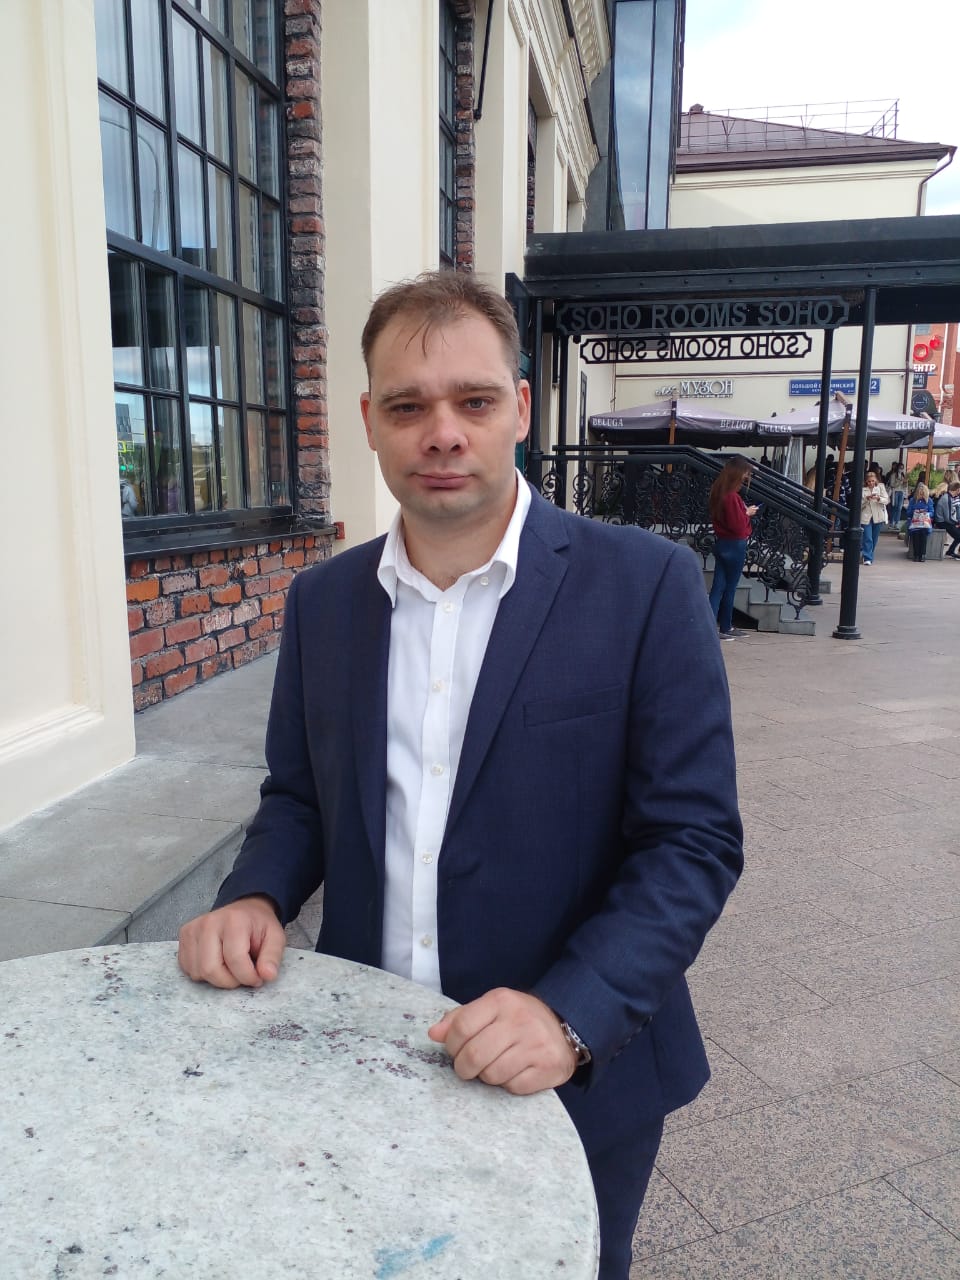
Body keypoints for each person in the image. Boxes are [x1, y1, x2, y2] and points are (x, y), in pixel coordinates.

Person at [176, 271, 743, 1280]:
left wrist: (570, 1013)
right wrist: (254, 894)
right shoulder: (321, 602)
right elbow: (298, 796)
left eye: (473, 401)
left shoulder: (645, 584)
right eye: (408, 406)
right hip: (370, 1052)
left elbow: (691, 841)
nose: (442, 433)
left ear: (519, 408)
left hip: (572, 1073)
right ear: (369, 421)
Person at [708, 457, 758, 640]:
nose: (746, 477)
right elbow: (737, 526)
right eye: (745, 473)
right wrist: (747, 513)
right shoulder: (732, 497)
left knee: (718, 587)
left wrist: (743, 512)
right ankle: (726, 626)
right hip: (735, 544)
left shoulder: (718, 492)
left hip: (722, 542)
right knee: (730, 587)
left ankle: (710, 627)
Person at [860, 468, 889, 566]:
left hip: (878, 516)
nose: (871, 483)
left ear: (875, 480)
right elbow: (859, 504)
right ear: (866, 481)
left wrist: (879, 498)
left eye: (872, 481)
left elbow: (887, 500)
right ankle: (867, 557)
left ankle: (870, 555)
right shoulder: (863, 490)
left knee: (874, 538)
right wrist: (866, 499)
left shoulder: (880, 487)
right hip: (866, 516)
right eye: (869, 481)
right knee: (867, 537)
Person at [906, 482, 934, 561]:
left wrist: (926, 513)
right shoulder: (913, 500)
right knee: (915, 535)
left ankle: (922, 555)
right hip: (915, 523)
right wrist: (915, 511)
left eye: (923, 494)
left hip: (925, 523)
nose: (921, 496)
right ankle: (916, 555)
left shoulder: (929, 501)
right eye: (920, 494)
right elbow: (908, 512)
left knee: (923, 535)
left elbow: (932, 512)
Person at [936, 482, 960, 557]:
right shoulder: (947, 499)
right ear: (958, 489)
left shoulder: (948, 497)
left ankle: (950, 551)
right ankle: (950, 552)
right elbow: (948, 518)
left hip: (944, 521)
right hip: (942, 522)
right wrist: (957, 523)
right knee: (959, 536)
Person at [886, 462, 907, 526]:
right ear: (897, 468)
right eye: (900, 468)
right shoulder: (893, 475)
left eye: (902, 468)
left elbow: (904, 487)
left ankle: (897, 522)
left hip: (901, 492)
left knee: (899, 508)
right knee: (894, 507)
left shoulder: (903, 475)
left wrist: (905, 483)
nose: (901, 469)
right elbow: (892, 485)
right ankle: (892, 522)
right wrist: (900, 482)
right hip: (895, 492)